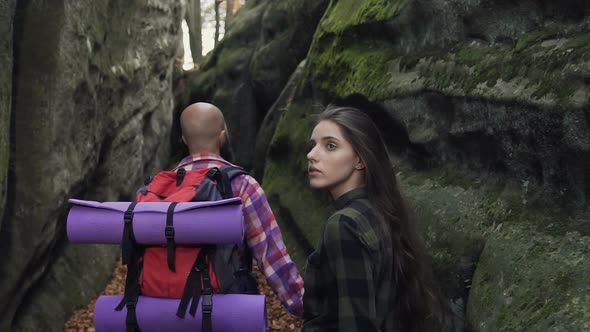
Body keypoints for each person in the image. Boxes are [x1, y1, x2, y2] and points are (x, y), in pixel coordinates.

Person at [302, 105, 445, 331]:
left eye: (330, 146)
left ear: (360, 160)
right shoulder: (382, 212)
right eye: (313, 146)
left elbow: (356, 325)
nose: (311, 155)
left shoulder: (344, 225)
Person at [175, 102, 304, 316]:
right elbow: (271, 256)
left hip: (169, 311)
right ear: (222, 136)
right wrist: (306, 307)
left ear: (184, 140)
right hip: (227, 312)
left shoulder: (161, 189)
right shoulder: (242, 185)